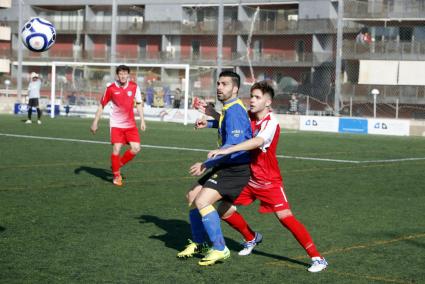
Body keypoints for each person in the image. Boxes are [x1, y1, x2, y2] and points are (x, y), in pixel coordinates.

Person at [208, 81, 328, 273]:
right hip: (248, 178)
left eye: (257, 97)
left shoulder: (271, 123)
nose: (252, 100)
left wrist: (228, 150)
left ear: (268, 102)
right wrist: (209, 118)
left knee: (286, 218)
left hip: (269, 182)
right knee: (224, 211)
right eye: (251, 96)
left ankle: (318, 258)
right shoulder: (248, 116)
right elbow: (229, 125)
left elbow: (257, 141)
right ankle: (251, 238)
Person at [177, 71, 252, 266]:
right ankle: (200, 243)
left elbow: (233, 145)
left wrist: (205, 164)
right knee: (192, 196)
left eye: (224, 84)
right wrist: (210, 121)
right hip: (225, 164)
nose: (219, 87)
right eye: (218, 83)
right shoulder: (229, 108)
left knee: (202, 201)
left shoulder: (235, 110)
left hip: (235, 167)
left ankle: (220, 248)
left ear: (235, 88)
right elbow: (226, 127)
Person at [90, 65, 146, 186]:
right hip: (116, 124)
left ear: (128, 75)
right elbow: (101, 105)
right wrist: (95, 122)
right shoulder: (110, 88)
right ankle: (116, 176)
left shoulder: (134, 87)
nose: (123, 76)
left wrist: (142, 120)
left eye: (125, 74)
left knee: (136, 148)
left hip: (130, 124)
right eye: (120, 74)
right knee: (116, 149)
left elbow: (139, 104)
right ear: (117, 75)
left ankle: (118, 164)